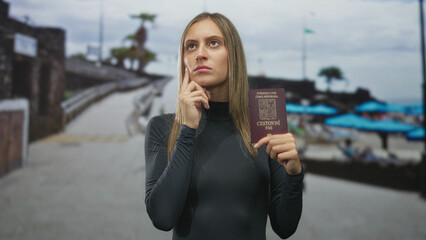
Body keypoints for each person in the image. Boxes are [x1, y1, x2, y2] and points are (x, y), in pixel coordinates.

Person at [144, 12, 303, 240]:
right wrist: (188, 129)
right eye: (190, 46)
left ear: (234, 55)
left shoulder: (264, 126)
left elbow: (285, 227)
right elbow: (162, 217)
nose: (200, 54)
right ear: (184, 61)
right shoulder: (163, 127)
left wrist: (295, 174)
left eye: (213, 43)